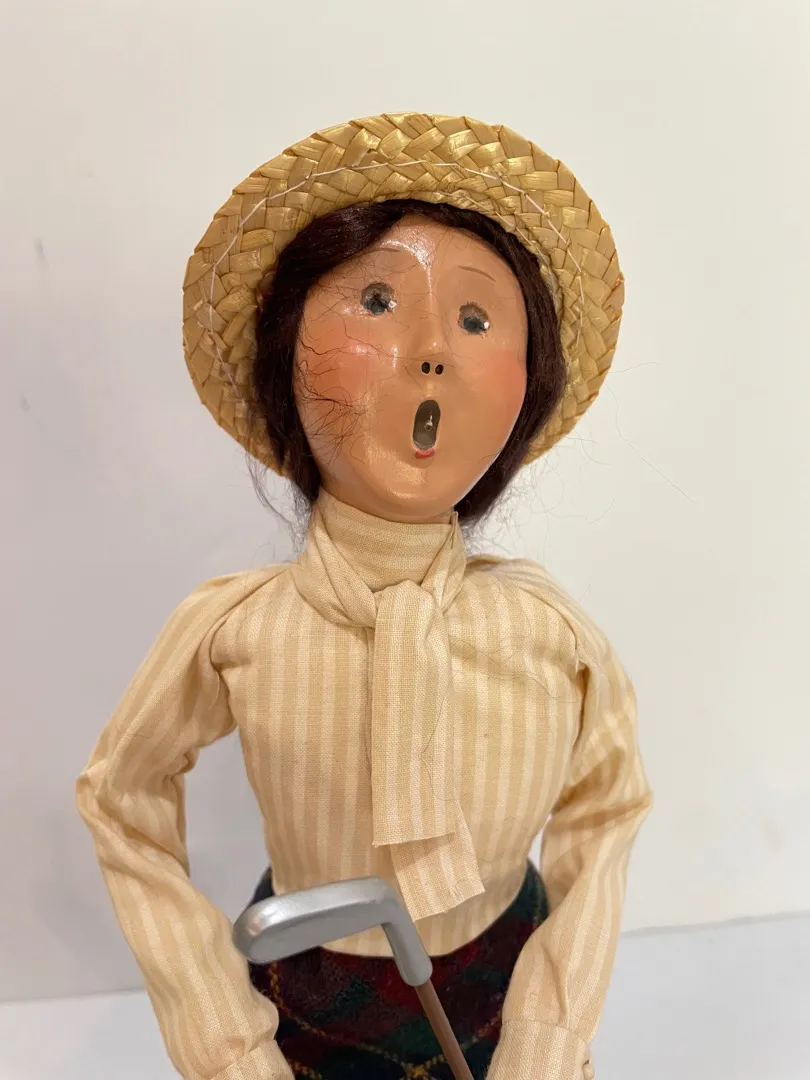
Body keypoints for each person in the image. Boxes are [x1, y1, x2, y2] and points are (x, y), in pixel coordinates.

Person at [77, 112, 652, 1080]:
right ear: (283, 356)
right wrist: (221, 1037)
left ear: (526, 388)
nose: (431, 350)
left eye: (476, 321)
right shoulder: (235, 630)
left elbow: (608, 811)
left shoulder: (551, 634)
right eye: (376, 301)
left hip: (505, 994)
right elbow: (120, 798)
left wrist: (549, 1037)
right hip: (306, 998)